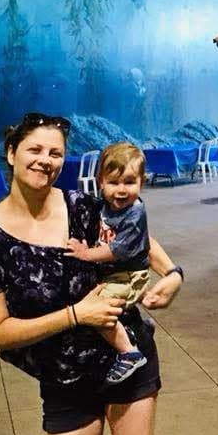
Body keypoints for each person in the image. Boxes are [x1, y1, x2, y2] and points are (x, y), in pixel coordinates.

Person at [0, 112, 183, 435]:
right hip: (64, 378)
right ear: (11, 152)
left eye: (55, 153)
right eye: (35, 149)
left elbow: (132, 238)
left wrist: (172, 273)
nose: (45, 160)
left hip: (128, 360)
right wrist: (77, 314)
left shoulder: (81, 206)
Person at [65, 143, 152, 386]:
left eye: (130, 182)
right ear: (100, 182)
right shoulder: (107, 206)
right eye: (114, 183)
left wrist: (85, 254)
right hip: (117, 274)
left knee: (98, 310)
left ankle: (128, 352)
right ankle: (134, 326)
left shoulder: (134, 213)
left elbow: (118, 249)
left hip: (129, 275)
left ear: (141, 182)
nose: (121, 190)